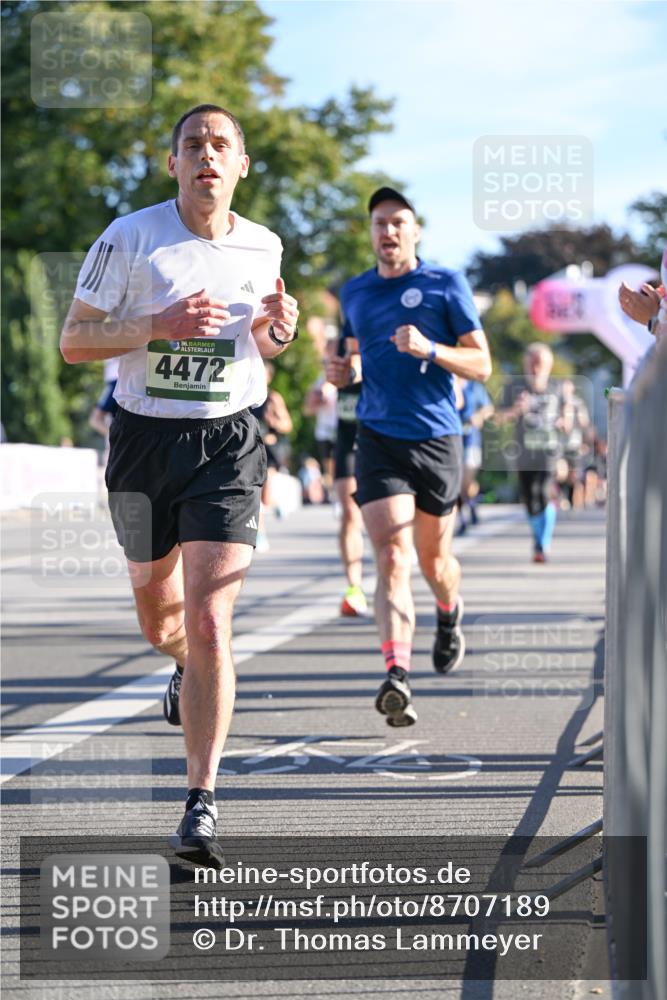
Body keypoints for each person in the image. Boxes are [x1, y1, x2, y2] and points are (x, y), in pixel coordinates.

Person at [59, 104, 299, 866]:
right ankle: (181, 666)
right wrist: (156, 326)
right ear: (173, 164)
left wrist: (279, 330)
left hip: (228, 442)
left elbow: (262, 343)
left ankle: (201, 802)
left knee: (209, 620)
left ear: (241, 165)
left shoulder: (264, 244)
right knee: (158, 615)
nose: (206, 155)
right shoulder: (129, 236)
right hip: (142, 441)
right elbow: (73, 341)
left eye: (220, 144)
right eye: (192, 144)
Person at [327, 187, 491, 727]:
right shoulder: (355, 291)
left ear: (415, 231)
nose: (389, 231)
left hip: (438, 438)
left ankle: (449, 609)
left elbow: (483, 364)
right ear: (371, 232)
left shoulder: (446, 283)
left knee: (433, 561)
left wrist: (431, 349)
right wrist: (342, 373)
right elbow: (354, 359)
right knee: (392, 557)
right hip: (378, 436)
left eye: (398, 222)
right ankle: (397, 674)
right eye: (380, 223)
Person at [495, 343, 562, 563]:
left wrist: (564, 422)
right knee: (530, 497)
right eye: (531, 363)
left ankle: (542, 544)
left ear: (548, 366)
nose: (535, 369)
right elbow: (498, 418)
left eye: (539, 364)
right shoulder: (514, 387)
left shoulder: (557, 387)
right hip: (524, 452)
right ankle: (538, 539)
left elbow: (569, 420)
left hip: (549, 451)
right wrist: (516, 410)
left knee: (543, 492)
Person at [330, 331, 367, 616]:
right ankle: (354, 587)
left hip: (382, 435)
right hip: (347, 439)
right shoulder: (339, 341)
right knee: (350, 512)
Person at [252, 360, 293, 550]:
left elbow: (287, 425)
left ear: (268, 377)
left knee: (266, 497)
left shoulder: (273, 398)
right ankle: (260, 533)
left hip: (269, 452)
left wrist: (274, 424)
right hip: (250, 448)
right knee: (255, 494)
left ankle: (276, 504)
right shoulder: (245, 395)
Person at [456, 377, 494, 534]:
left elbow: (488, 408)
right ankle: (462, 520)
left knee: (466, 481)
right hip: (451, 440)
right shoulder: (447, 379)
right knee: (455, 483)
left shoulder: (474, 386)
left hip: (471, 441)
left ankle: (471, 505)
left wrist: (478, 416)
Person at [303, 365, 338, 499]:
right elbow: (307, 409)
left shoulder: (343, 376)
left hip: (340, 430)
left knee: (341, 464)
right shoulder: (319, 381)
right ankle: (334, 494)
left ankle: (340, 493)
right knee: (329, 466)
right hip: (324, 431)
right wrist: (317, 401)